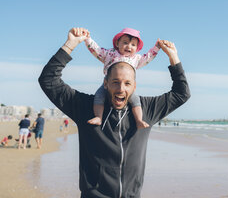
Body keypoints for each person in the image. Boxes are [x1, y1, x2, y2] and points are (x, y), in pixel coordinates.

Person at [38, 27, 190, 197]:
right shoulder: (85, 107)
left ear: (134, 86)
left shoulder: (146, 109)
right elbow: (48, 80)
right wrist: (70, 44)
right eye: (115, 82)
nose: (120, 89)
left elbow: (181, 94)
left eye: (127, 83)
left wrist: (173, 57)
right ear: (105, 83)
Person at [85, 28, 160, 129]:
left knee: (135, 101)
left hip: (127, 88)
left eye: (133, 44)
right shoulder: (110, 54)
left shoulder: (136, 59)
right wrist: (87, 38)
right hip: (109, 85)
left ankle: (138, 120)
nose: (129, 46)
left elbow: (148, 58)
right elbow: (96, 50)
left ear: (137, 48)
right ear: (117, 43)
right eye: (125, 42)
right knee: (99, 96)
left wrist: (157, 47)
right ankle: (98, 117)